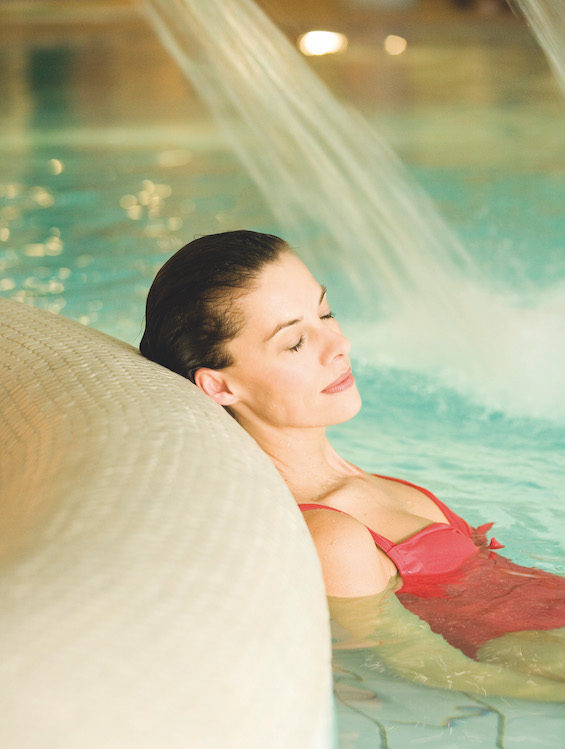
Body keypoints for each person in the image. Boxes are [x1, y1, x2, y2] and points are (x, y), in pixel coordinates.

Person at [140, 229, 565, 701]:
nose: (338, 344)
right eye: (297, 341)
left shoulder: (355, 483)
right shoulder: (331, 538)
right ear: (219, 387)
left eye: (325, 313)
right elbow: (438, 670)